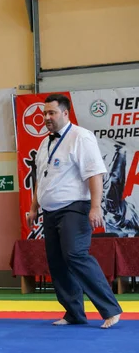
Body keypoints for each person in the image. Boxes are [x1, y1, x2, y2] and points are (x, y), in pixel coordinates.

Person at [27, 93, 122, 329]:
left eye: (52, 113)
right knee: (57, 262)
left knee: (75, 255)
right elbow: (42, 177)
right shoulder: (44, 142)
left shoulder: (81, 137)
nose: (47, 117)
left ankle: (110, 309)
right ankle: (74, 313)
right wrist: (33, 207)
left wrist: (96, 206)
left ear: (65, 113)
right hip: (50, 211)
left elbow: (94, 173)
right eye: (45, 113)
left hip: (75, 207)